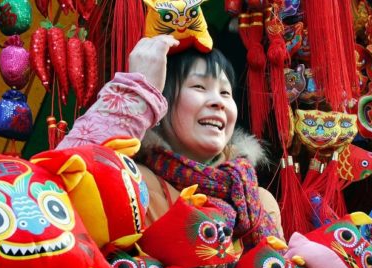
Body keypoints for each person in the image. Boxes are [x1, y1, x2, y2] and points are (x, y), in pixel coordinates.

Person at [58, 35, 283, 248]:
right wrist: (137, 91)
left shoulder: (258, 201)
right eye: (199, 87)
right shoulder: (132, 184)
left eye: (225, 93)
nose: (218, 102)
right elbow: (59, 190)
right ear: (160, 103)